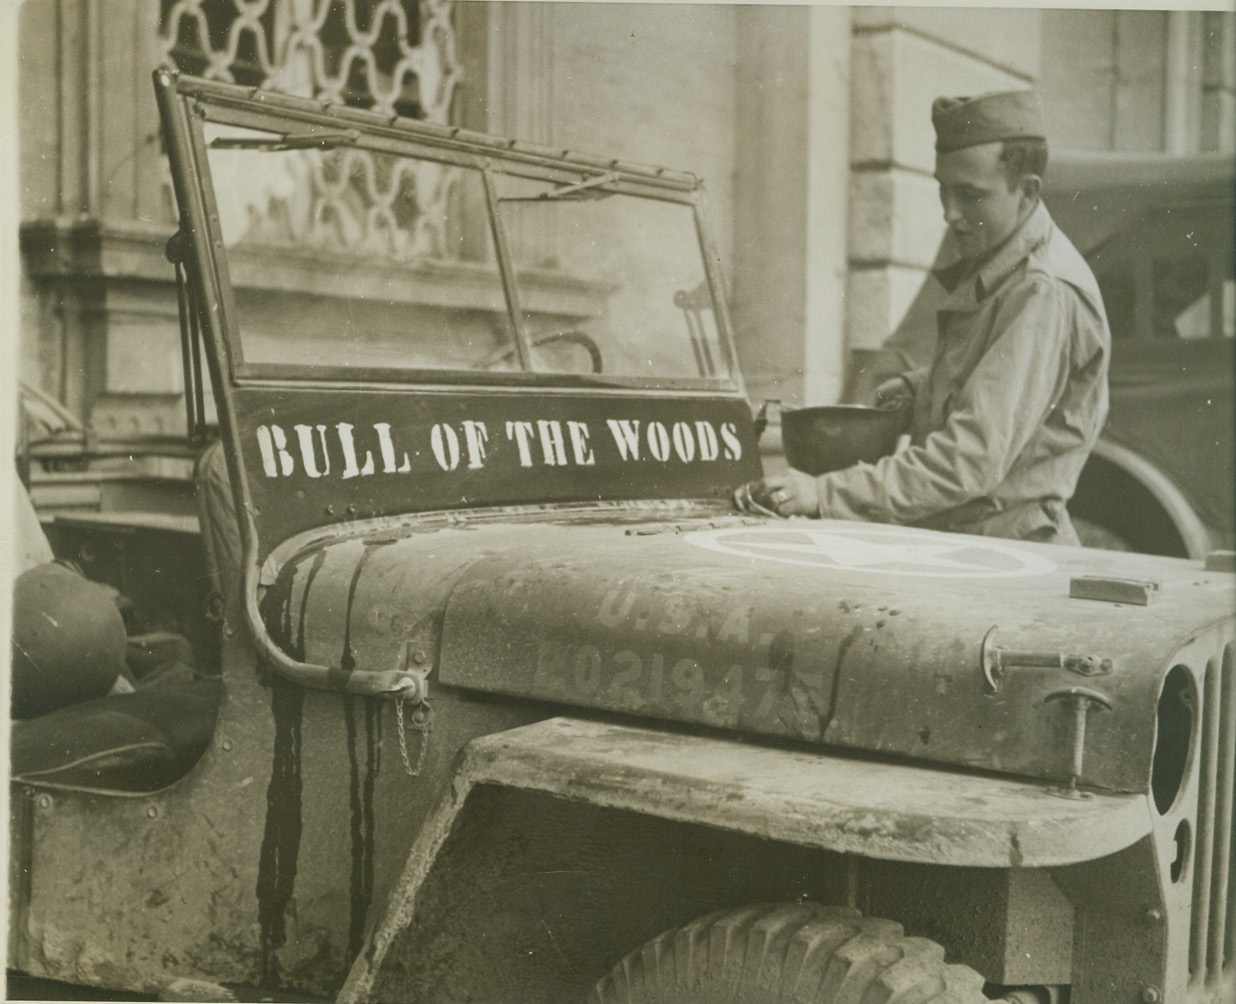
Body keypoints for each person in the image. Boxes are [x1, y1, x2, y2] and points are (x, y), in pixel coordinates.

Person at [739, 90, 1110, 545]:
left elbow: (969, 460)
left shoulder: (1041, 291)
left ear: (1027, 190)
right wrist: (921, 389)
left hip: (1005, 553)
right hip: (967, 538)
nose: (950, 214)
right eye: (943, 191)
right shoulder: (1002, 261)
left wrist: (823, 492)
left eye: (969, 195)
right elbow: (991, 379)